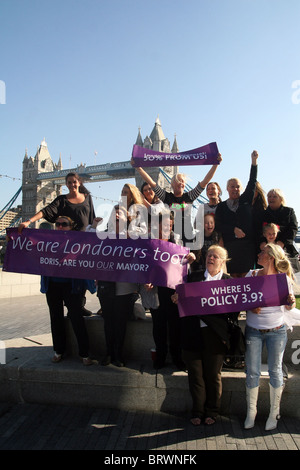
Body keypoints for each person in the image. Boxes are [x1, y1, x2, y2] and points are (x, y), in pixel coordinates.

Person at [173, 245, 239, 425]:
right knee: (195, 375)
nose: (211, 258)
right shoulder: (193, 277)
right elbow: (182, 298)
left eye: (216, 256)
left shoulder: (229, 282)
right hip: (192, 333)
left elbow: (233, 313)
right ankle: (197, 411)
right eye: (209, 255)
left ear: (223, 261)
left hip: (215, 336)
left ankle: (212, 411)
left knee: (212, 375)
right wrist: (177, 298)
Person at [18, 172, 96, 315]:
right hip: (66, 247)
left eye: (74, 182)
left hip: (83, 245)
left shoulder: (88, 198)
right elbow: (45, 211)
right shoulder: (62, 200)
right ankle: (76, 305)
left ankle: (80, 304)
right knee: (72, 279)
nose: (72, 185)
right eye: (69, 182)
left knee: (81, 276)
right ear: (66, 185)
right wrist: (29, 221)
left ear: (79, 183)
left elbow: (91, 220)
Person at [244, 243, 296, 431]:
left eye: (262, 252)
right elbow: (242, 299)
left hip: (276, 330)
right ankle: (251, 413)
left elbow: (289, 306)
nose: (259, 254)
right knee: (252, 371)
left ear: (271, 257)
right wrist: (250, 306)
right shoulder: (251, 275)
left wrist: (290, 302)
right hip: (254, 330)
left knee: (275, 370)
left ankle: (274, 413)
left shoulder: (284, 279)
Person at [40, 216, 97, 366]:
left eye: (64, 224)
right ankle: (58, 351)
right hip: (52, 285)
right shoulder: (47, 241)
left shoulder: (77, 241)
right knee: (55, 318)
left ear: (71, 227)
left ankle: (84, 353)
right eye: (57, 224)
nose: (60, 226)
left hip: (73, 286)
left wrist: (95, 224)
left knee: (76, 317)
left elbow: (92, 243)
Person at [143, 211, 195, 370]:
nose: (167, 227)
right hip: (155, 291)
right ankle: (160, 357)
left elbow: (185, 267)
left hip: (173, 292)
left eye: (170, 225)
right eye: (165, 224)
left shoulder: (177, 242)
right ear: (156, 226)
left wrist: (190, 259)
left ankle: (177, 358)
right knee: (158, 327)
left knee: (175, 326)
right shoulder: (148, 243)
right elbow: (140, 265)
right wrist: (145, 280)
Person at [132, 156, 222, 247]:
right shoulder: (166, 197)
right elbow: (152, 183)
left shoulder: (190, 196)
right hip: (172, 238)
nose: (181, 183)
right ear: (172, 184)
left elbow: (205, 182)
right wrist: (138, 168)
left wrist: (215, 165)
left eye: (182, 181)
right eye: (178, 181)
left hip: (188, 238)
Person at [90, 205, 140, 367]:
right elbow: (88, 248)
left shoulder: (134, 237)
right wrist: (92, 226)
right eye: (115, 213)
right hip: (106, 285)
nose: (118, 215)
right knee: (108, 322)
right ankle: (109, 353)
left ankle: (118, 355)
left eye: (122, 213)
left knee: (120, 323)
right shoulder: (102, 235)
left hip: (125, 287)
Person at [215, 151, 258, 277]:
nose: (235, 189)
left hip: (247, 247)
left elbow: (252, 182)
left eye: (238, 186)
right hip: (230, 247)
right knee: (233, 278)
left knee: (247, 278)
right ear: (227, 188)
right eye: (232, 186)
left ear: (242, 189)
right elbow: (218, 225)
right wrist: (233, 230)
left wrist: (254, 162)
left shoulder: (246, 201)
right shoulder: (221, 206)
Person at [258, 188, 299, 273]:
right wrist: (262, 242)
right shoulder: (262, 214)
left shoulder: (289, 211)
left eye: (274, 196)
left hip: (285, 248)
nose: (271, 198)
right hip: (267, 250)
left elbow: (293, 228)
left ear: (281, 199)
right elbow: (257, 230)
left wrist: (282, 242)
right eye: (269, 196)